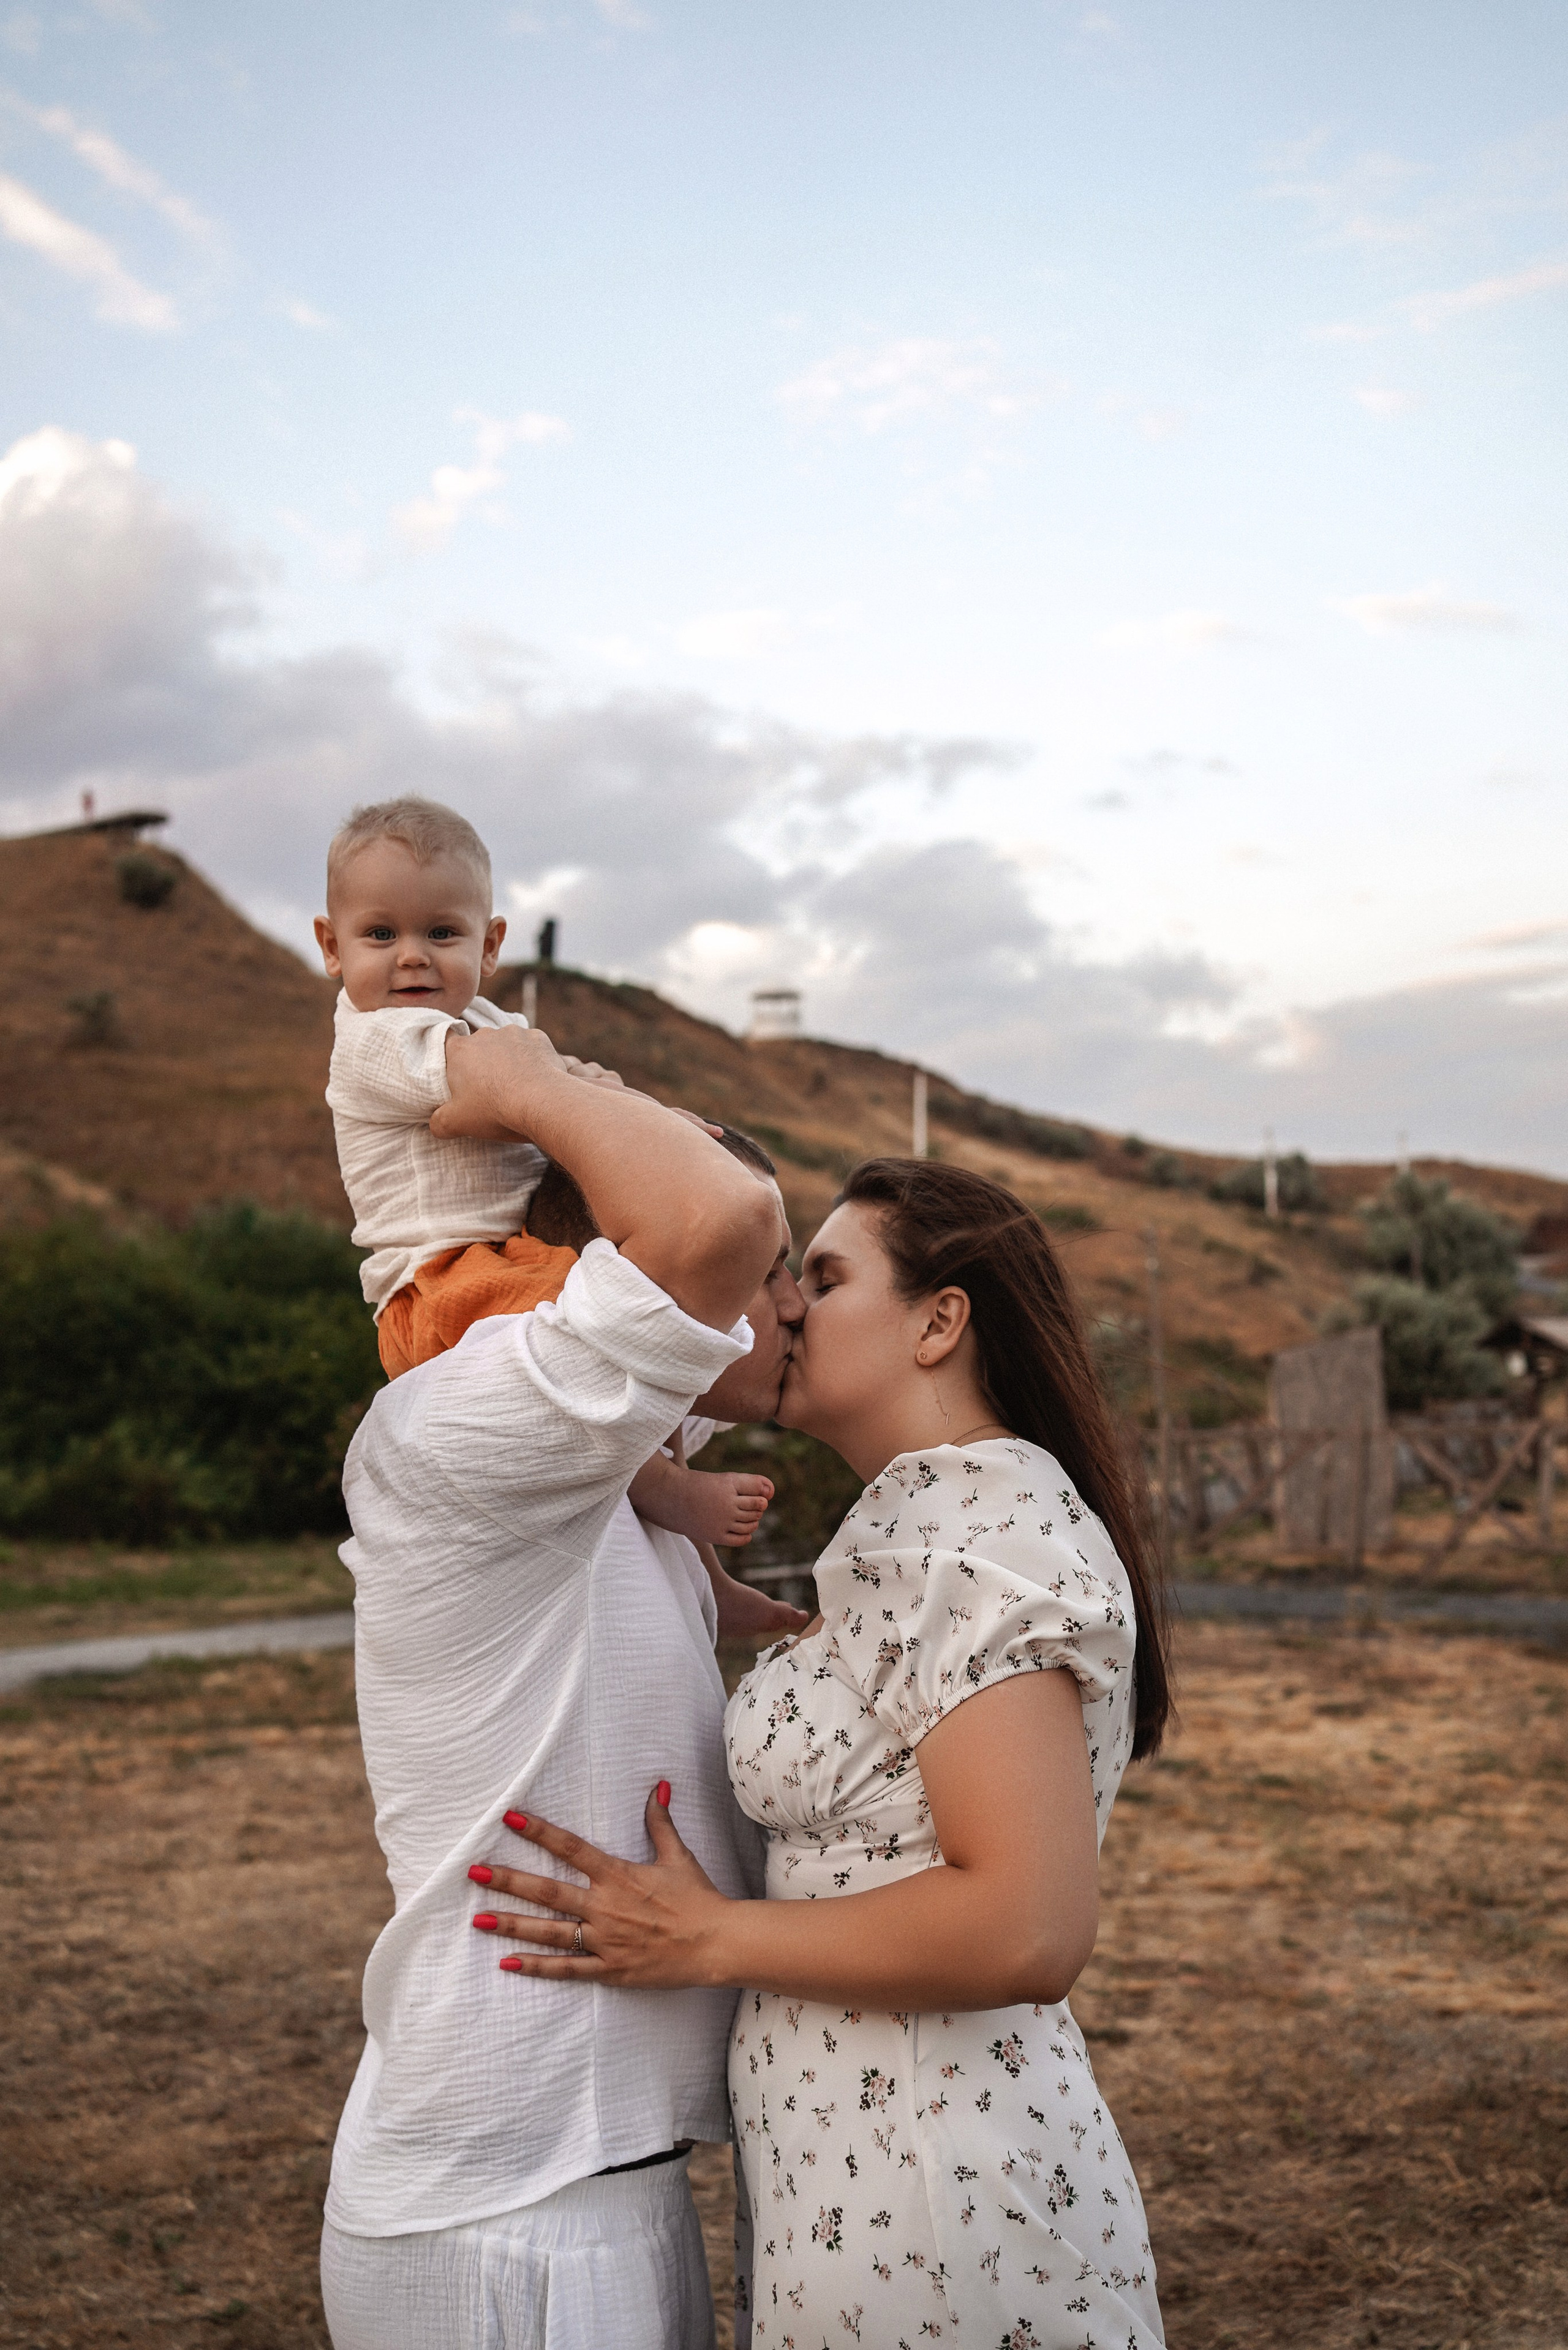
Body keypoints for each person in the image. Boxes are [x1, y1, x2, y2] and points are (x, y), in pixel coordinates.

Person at [462, 1158, 1172, 2349]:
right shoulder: (917, 1523)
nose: (786, 1305)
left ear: (939, 1319)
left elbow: (1027, 1925)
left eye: (825, 1276)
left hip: (941, 2189)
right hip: (857, 2167)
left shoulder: (977, 1532)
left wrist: (707, 1937)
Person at [318, 1017, 806, 2350]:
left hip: (597, 2175)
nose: (790, 1303)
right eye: (779, 1273)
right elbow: (709, 1211)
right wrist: (528, 1076)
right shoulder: (470, 1425)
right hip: (511, 2211)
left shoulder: (626, 1473)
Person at [314, 792, 786, 1625]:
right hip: (438, 1286)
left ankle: (703, 1574)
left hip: (508, 1255)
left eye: (443, 933)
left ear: (490, 945)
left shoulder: (488, 1022)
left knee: (633, 1320)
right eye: (381, 935)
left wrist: (637, 1112)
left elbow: (564, 1085)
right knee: (613, 1326)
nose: (412, 959)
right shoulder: (375, 1040)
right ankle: (666, 1490)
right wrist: (581, 1102)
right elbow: (520, 1094)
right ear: (331, 946)